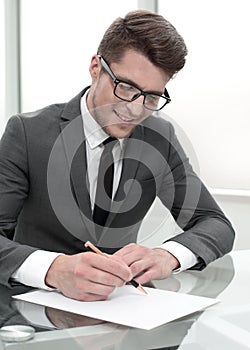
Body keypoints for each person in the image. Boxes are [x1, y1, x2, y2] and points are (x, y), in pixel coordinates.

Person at [0, 10, 235, 301]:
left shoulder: (159, 138)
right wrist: (53, 269)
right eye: (126, 87)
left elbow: (215, 224)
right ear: (96, 67)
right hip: (33, 312)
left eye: (151, 97)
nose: (135, 109)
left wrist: (167, 255)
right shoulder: (28, 132)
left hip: (121, 312)